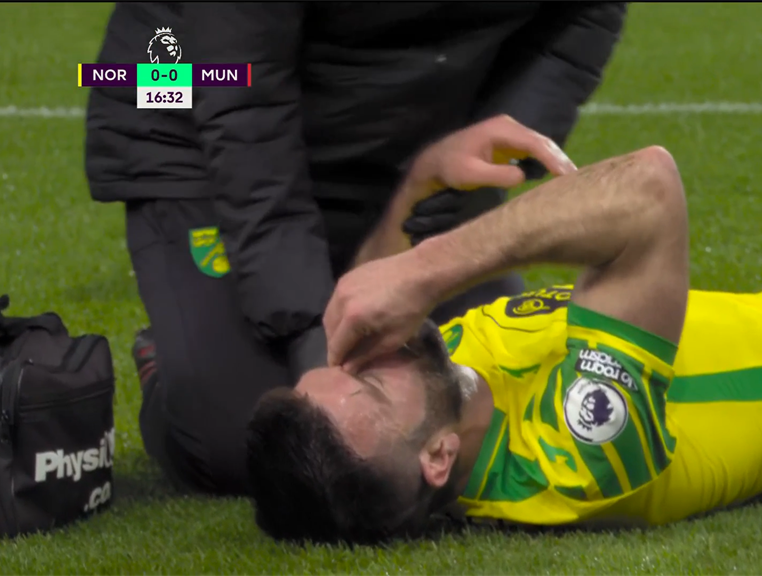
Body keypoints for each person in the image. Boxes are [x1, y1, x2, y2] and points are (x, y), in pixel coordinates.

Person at [245, 25, 762, 544]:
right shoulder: (577, 457)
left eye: (337, 365)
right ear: (438, 458)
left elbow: (372, 292)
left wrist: (418, 185)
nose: (367, 352)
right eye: (369, 383)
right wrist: (425, 269)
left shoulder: (445, 392)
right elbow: (647, 192)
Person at [84, 2, 626, 495]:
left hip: (410, 137)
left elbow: (581, 21)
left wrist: (461, 193)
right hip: (199, 116)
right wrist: (312, 338)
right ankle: (179, 355)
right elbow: (246, 114)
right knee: (253, 443)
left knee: (488, 395)